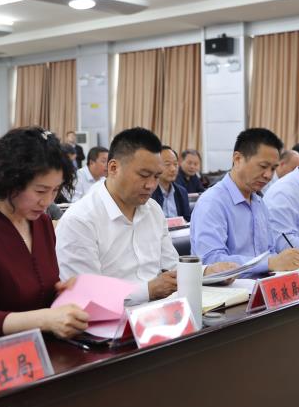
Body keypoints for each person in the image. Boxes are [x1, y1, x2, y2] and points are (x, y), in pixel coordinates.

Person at [56, 128, 235, 304]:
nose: (151, 185)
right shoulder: (80, 220)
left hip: (161, 311)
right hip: (110, 319)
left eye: (156, 177)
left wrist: (208, 272)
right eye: (143, 175)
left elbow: (171, 265)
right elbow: (86, 296)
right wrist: (148, 290)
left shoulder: (153, 210)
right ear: (113, 168)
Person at [0, 128, 89, 346]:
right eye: (40, 191)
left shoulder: (41, 223)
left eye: (55, 190)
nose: (47, 202)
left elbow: (37, 294)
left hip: (40, 346)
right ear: (10, 181)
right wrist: (46, 319)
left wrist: (62, 294)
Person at [191, 128, 299, 276]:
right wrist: (270, 263)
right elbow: (211, 261)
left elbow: (269, 251)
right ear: (238, 159)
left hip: (262, 284)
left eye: (273, 169)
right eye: (263, 166)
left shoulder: (259, 202)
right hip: (229, 289)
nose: (268, 175)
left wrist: (288, 260)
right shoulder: (212, 202)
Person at [151, 146, 192, 221]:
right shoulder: (149, 192)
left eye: (175, 164)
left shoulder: (182, 192)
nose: (173, 169)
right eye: (167, 164)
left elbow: (187, 220)